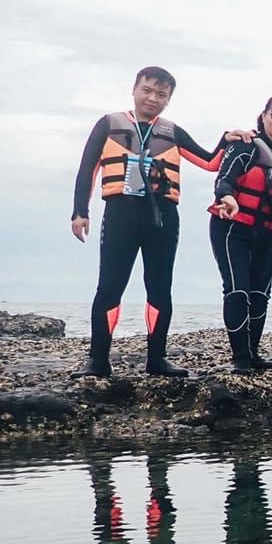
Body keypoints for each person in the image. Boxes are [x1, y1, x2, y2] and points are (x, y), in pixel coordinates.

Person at [71, 66, 228, 378]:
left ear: (168, 100)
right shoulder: (109, 124)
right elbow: (87, 168)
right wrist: (80, 212)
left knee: (159, 288)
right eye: (148, 90)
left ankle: (157, 360)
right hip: (120, 216)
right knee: (110, 286)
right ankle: (98, 360)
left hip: (163, 219)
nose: (153, 98)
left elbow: (210, 162)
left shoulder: (172, 132)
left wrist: (229, 139)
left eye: (161, 94)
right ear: (135, 89)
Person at [210, 95, 272, 373]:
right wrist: (227, 198)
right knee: (237, 290)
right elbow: (224, 180)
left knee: (259, 294)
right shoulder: (245, 146)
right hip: (233, 227)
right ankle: (240, 357)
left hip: (267, 233)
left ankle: (253, 352)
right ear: (264, 116)